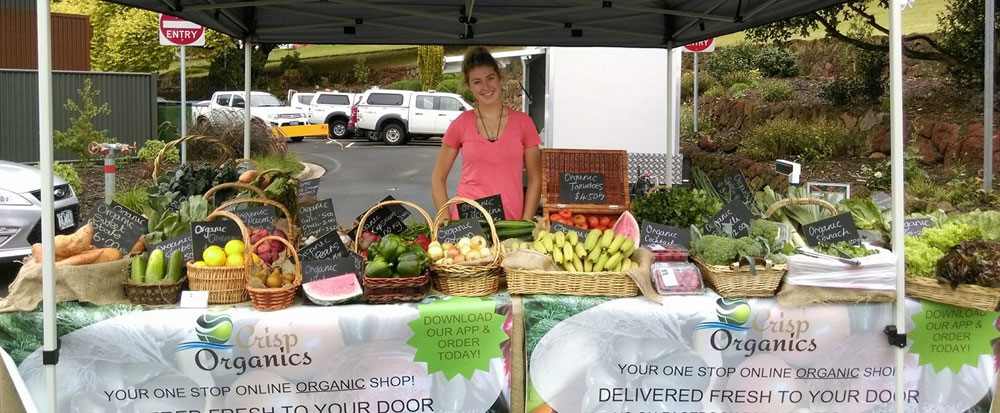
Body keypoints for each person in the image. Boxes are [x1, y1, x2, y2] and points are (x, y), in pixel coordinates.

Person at [431, 47, 542, 220]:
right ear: (469, 86)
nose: (486, 87)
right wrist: (445, 221)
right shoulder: (460, 124)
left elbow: (535, 179)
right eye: (477, 82)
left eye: (490, 78)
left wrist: (526, 223)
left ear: (499, 78)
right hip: (468, 222)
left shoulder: (524, 123)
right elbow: (438, 179)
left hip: (511, 223)